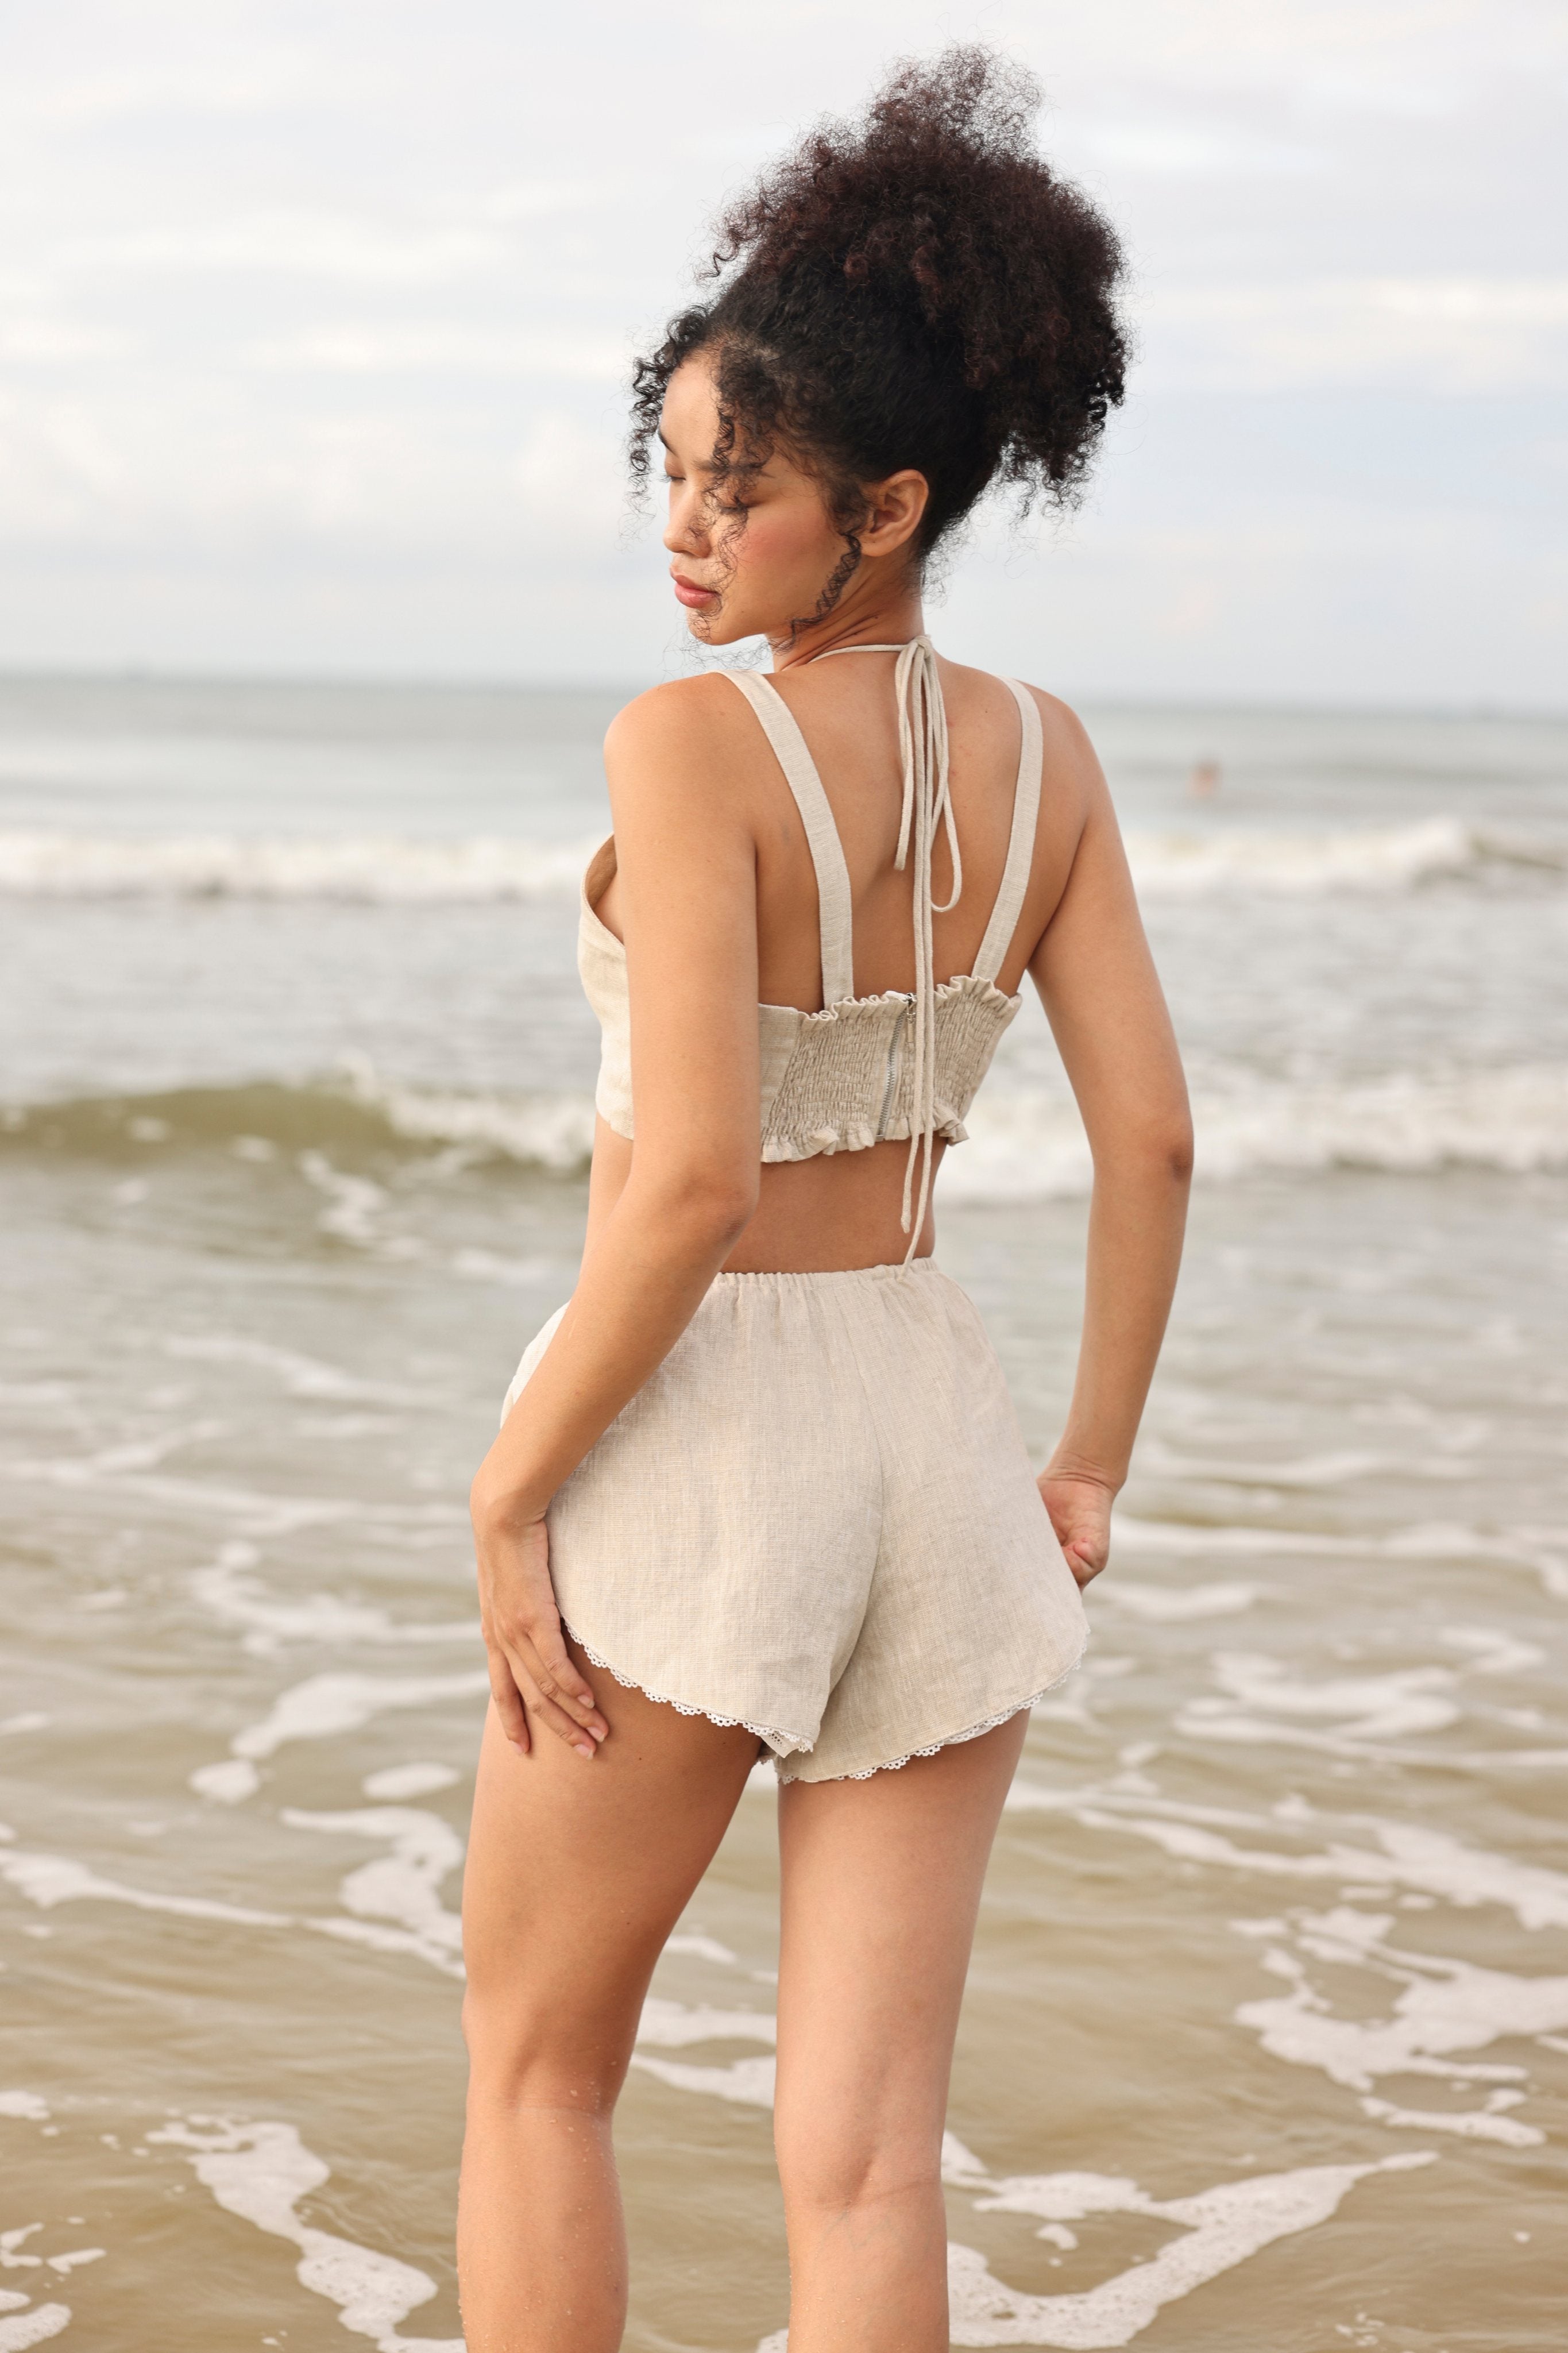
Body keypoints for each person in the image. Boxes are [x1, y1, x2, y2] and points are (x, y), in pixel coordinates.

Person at [458, 47, 1191, 2353]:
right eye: (667, 474)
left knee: (536, 2078)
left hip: (697, 1435)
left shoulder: (688, 747)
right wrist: (1081, 1463)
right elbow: (1151, 1139)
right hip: (932, 1429)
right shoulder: (1047, 753)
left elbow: (682, 1181)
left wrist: (509, 1492)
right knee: (867, 2162)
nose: (684, 531)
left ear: (883, 504)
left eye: (737, 489)